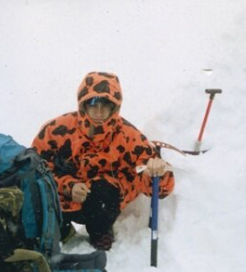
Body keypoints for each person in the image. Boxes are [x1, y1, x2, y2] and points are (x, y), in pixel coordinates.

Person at [32, 71, 175, 251]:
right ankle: (60, 230)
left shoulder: (129, 136)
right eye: (93, 103)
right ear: (83, 104)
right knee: (37, 196)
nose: (99, 111)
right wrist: (69, 186)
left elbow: (158, 189)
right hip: (64, 199)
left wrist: (159, 172)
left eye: (106, 105)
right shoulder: (55, 130)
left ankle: (101, 233)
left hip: (102, 204)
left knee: (103, 191)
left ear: (114, 108)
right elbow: (35, 170)